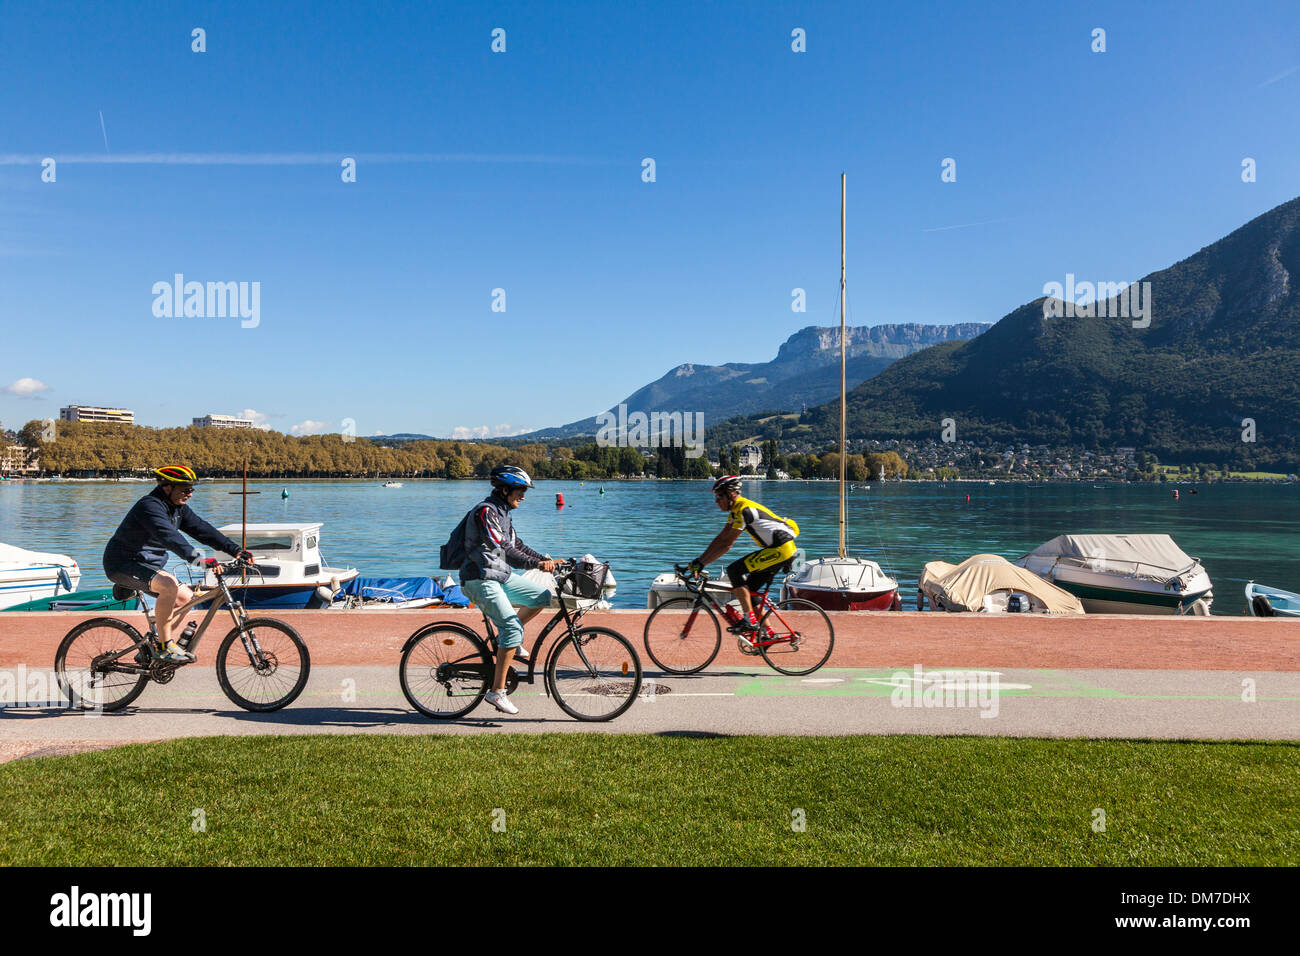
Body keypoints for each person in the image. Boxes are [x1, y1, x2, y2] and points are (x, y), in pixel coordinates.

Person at [103, 466, 254, 663]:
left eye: (191, 489)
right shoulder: (150, 507)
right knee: (169, 586)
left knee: (186, 598)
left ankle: (155, 644)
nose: (190, 494)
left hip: (147, 566)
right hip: (122, 564)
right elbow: (170, 538)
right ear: (167, 487)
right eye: (185, 489)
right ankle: (165, 648)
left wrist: (235, 550)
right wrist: (199, 559)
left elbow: (202, 529)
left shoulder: (177, 508)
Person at [456, 465, 559, 715]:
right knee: (511, 628)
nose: (523, 495)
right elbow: (505, 550)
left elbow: (518, 544)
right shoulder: (486, 512)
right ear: (504, 490)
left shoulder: (503, 512)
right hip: (479, 578)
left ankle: (511, 640)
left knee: (542, 597)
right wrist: (536, 564)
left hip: (498, 576)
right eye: (520, 490)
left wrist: (548, 560)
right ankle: (496, 692)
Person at [688, 475, 799, 641]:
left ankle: (749, 620)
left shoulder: (743, 510)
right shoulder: (736, 511)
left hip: (780, 550)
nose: (716, 501)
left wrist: (702, 562)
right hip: (779, 550)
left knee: (734, 570)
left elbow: (727, 544)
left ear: (731, 495)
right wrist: (699, 561)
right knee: (750, 591)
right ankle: (768, 634)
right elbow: (720, 538)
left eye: (719, 496)